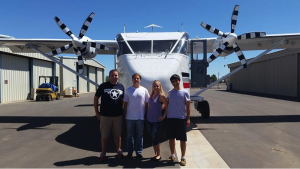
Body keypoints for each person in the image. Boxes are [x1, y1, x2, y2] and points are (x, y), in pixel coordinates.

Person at [93, 69, 125, 161]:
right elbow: (96, 98)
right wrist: (97, 112)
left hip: (118, 115)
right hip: (105, 115)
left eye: (116, 75)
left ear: (118, 76)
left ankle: (118, 150)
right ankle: (103, 152)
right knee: (104, 135)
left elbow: (123, 100)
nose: (114, 77)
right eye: (112, 75)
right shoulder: (103, 86)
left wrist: (122, 110)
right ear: (109, 76)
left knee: (118, 134)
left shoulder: (121, 87)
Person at [123, 73, 150, 159]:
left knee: (139, 136)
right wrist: (125, 115)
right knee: (129, 136)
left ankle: (139, 152)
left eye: (137, 78)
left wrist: (146, 114)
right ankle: (130, 152)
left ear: (140, 80)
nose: (136, 80)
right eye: (134, 78)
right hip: (130, 118)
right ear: (132, 79)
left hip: (140, 117)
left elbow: (147, 104)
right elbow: (125, 104)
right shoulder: (128, 90)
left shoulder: (144, 90)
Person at [166, 74, 190, 166]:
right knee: (171, 138)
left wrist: (188, 119)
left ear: (179, 81)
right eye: (173, 81)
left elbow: (188, 107)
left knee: (183, 139)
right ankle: (172, 155)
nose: (175, 82)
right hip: (171, 119)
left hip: (181, 119)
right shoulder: (169, 93)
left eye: (176, 81)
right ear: (171, 83)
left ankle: (183, 157)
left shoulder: (185, 93)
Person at [146, 80, 168, 161]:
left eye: (157, 86)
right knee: (152, 137)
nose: (156, 87)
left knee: (155, 137)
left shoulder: (161, 96)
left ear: (160, 87)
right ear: (152, 87)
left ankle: (158, 154)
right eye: (154, 86)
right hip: (149, 119)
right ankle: (155, 153)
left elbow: (167, 106)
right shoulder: (151, 95)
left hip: (157, 121)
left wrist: (164, 116)